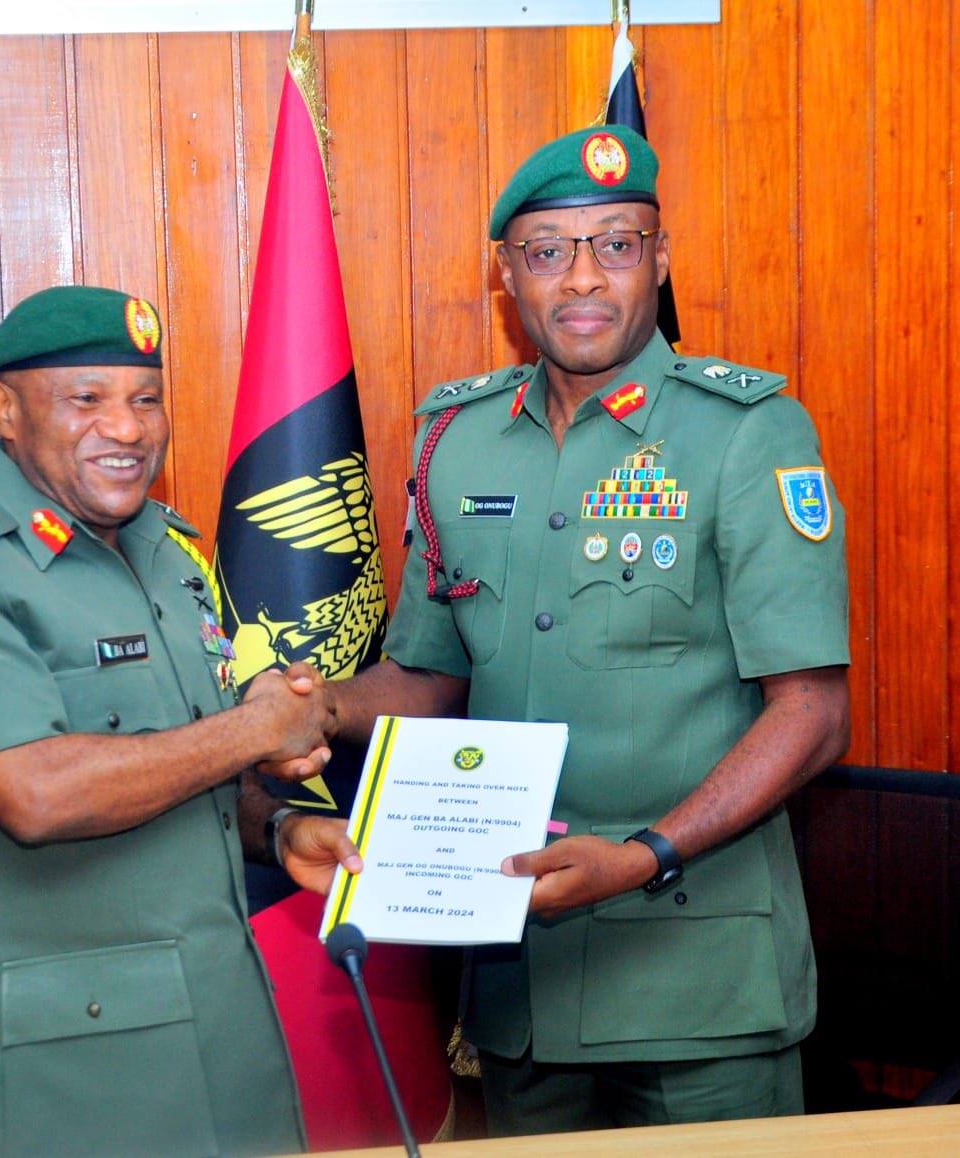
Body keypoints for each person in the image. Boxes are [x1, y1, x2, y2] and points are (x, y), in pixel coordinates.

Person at [271, 124, 850, 1133]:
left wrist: (642, 854)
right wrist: (314, 704)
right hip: (519, 980)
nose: (582, 278)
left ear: (657, 260)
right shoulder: (452, 439)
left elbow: (811, 713)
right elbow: (430, 672)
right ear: (507, 276)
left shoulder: (744, 431)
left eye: (615, 245)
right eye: (548, 252)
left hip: (697, 978)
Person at [0, 285, 361, 1156]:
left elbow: (178, 762)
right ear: (6, 411)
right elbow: (38, 793)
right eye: (85, 399)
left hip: (218, 1024)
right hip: (61, 1066)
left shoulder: (165, 551)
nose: (128, 429)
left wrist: (275, 827)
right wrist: (258, 728)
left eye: (144, 398)